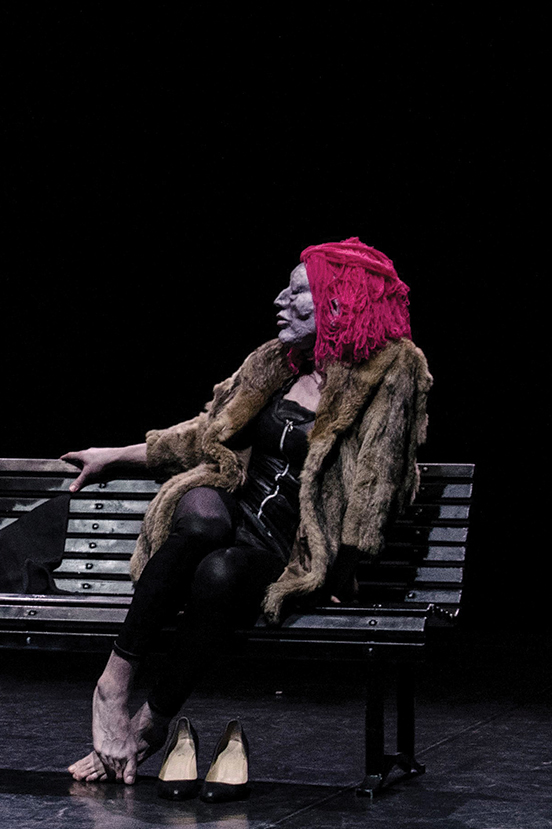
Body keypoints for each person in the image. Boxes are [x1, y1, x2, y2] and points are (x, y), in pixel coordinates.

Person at [62, 238, 432, 798]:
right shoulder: (275, 361)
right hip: (228, 512)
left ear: (339, 301)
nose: (280, 300)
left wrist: (341, 572)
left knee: (220, 572)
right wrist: (114, 456)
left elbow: (376, 483)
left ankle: (150, 724)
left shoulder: (391, 369)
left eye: (298, 291)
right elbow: (205, 432)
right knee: (202, 520)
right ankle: (113, 681)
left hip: (288, 550)